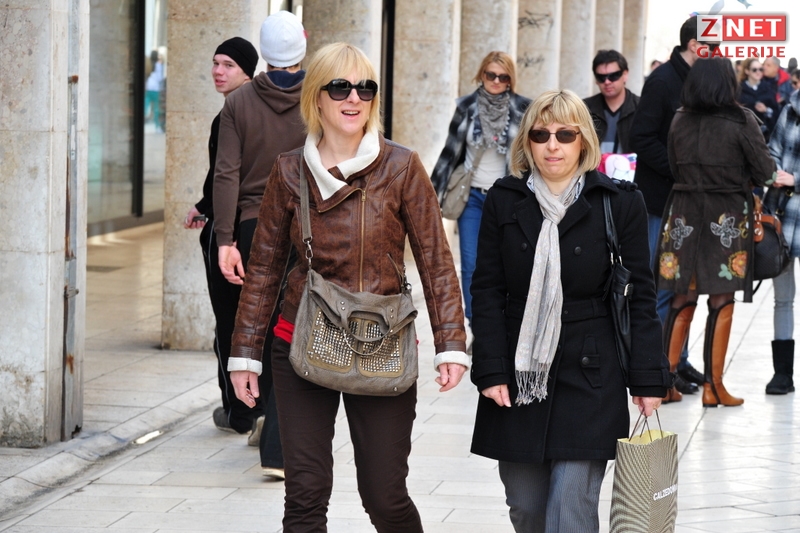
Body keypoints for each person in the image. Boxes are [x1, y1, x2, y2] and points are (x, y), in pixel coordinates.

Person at [228, 42, 469, 531]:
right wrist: (245, 354)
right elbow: (264, 269)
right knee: (305, 496)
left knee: (384, 496)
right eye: (339, 87)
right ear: (316, 97)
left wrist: (451, 343)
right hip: (300, 341)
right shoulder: (289, 170)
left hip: (381, 342)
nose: (353, 97)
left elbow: (436, 261)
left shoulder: (401, 167)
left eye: (365, 87)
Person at [470, 89, 669, 533]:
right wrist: (491, 368)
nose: (552, 145)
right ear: (527, 141)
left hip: (591, 372)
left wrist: (648, 378)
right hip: (521, 373)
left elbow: (640, 295)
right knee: (526, 507)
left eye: (565, 134)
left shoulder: (619, 202)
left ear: (584, 141)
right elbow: (487, 289)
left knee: (570, 508)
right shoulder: (505, 199)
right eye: (540, 134)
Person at [213, 10, 309, 479]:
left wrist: (225, 240)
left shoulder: (238, 103)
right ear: (303, 47)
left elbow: (226, 173)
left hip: (254, 227)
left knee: (266, 327)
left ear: (264, 53)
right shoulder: (321, 96)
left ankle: (269, 421)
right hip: (308, 227)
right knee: (294, 329)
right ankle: (279, 444)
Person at [658, 58, 776, 407]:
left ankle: (665, 383)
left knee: (682, 297)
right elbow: (766, 171)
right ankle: (714, 387)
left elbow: (672, 165)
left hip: (683, 215)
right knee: (721, 298)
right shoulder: (741, 120)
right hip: (726, 217)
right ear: (728, 83)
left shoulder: (679, 118)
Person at [182, 37, 260, 438]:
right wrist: (202, 203)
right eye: (215, 63)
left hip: (230, 232)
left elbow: (226, 176)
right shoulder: (263, 108)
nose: (218, 71)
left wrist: (210, 211)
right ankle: (262, 410)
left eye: (228, 65)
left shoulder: (230, 113)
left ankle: (239, 412)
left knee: (229, 322)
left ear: (247, 70)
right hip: (262, 228)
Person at [630, 15, 710, 400]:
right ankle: (657, 366)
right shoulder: (662, 81)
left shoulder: (701, 80)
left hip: (690, 203)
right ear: (696, 45)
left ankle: (678, 359)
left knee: (684, 287)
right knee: (658, 285)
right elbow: (641, 137)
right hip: (660, 202)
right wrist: (681, 170)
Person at [430, 52, 530, 345]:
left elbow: (528, 158)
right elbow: (449, 153)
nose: (496, 81)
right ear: (481, 75)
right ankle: (479, 328)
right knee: (471, 265)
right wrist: (430, 195)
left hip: (506, 199)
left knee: (508, 263)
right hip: (472, 199)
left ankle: (504, 321)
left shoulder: (523, 109)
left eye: (503, 76)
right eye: (491, 75)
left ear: (510, 79)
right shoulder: (466, 107)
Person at [763, 81, 800, 395]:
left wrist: (795, 179)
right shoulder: (790, 110)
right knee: (783, 297)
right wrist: (774, 173)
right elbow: (772, 151)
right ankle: (782, 374)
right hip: (782, 215)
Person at [583, 49, 639, 154]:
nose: (607, 82)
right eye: (601, 77)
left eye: (613, 76)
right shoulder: (583, 109)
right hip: (593, 164)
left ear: (625, 74)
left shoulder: (641, 108)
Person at [737, 57, 780, 142]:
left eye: (761, 69)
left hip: (764, 135)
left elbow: (776, 112)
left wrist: (766, 110)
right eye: (754, 70)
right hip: (743, 135)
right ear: (747, 71)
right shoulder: (738, 89)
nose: (758, 72)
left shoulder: (769, 89)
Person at [145, 50, 164, 131]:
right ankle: (157, 126)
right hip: (156, 88)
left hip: (148, 87)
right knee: (156, 109)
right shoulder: (158, 65)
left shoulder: (148, 65)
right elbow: (160, 78)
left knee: (145, 106)